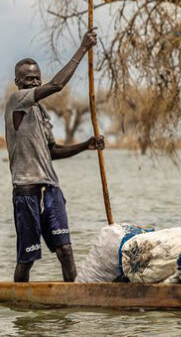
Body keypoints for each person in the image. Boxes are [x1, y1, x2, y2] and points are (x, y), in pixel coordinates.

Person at [4, 28, 103, 282]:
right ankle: (22, 312)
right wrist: (83, 48)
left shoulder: (41, 113)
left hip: (51, 190)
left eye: (37, 78)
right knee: (27, 258)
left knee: (66, 250)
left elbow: (53, 152)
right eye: (28, 79)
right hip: (26, 192)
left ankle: (72, 307)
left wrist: (85, 145)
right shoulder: (17, 101)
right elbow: (57, 85)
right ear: (19, 82)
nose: (34, 83)